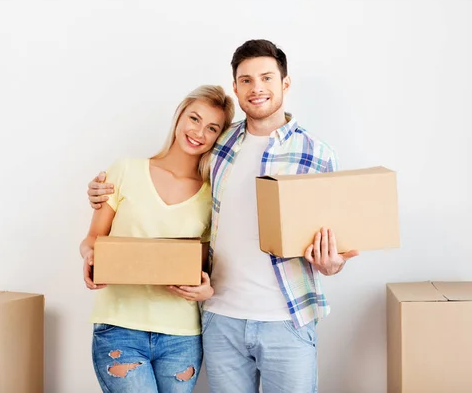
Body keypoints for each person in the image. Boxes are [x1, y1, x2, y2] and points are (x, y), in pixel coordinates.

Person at [87, 40, 359, 393]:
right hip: (220, 318)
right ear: (236, 87)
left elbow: (338, 247)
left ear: (285, 84)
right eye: (246, 80)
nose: (257, 88)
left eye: (266, 78)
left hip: (287, 319)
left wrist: (331, 264)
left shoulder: (317, 155)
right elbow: (169, 192)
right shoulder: (219, 146)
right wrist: (98, 192)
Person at [80, 85, 235, 393]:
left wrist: (206, 289)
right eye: (194, 118)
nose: (199, 132)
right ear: (179, 117)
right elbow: (93, 239)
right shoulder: (125, 170)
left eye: (212, 128)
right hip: (120, 329)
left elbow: (207, 264)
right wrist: (89, 256)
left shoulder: (212, 195)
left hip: (182, 336)